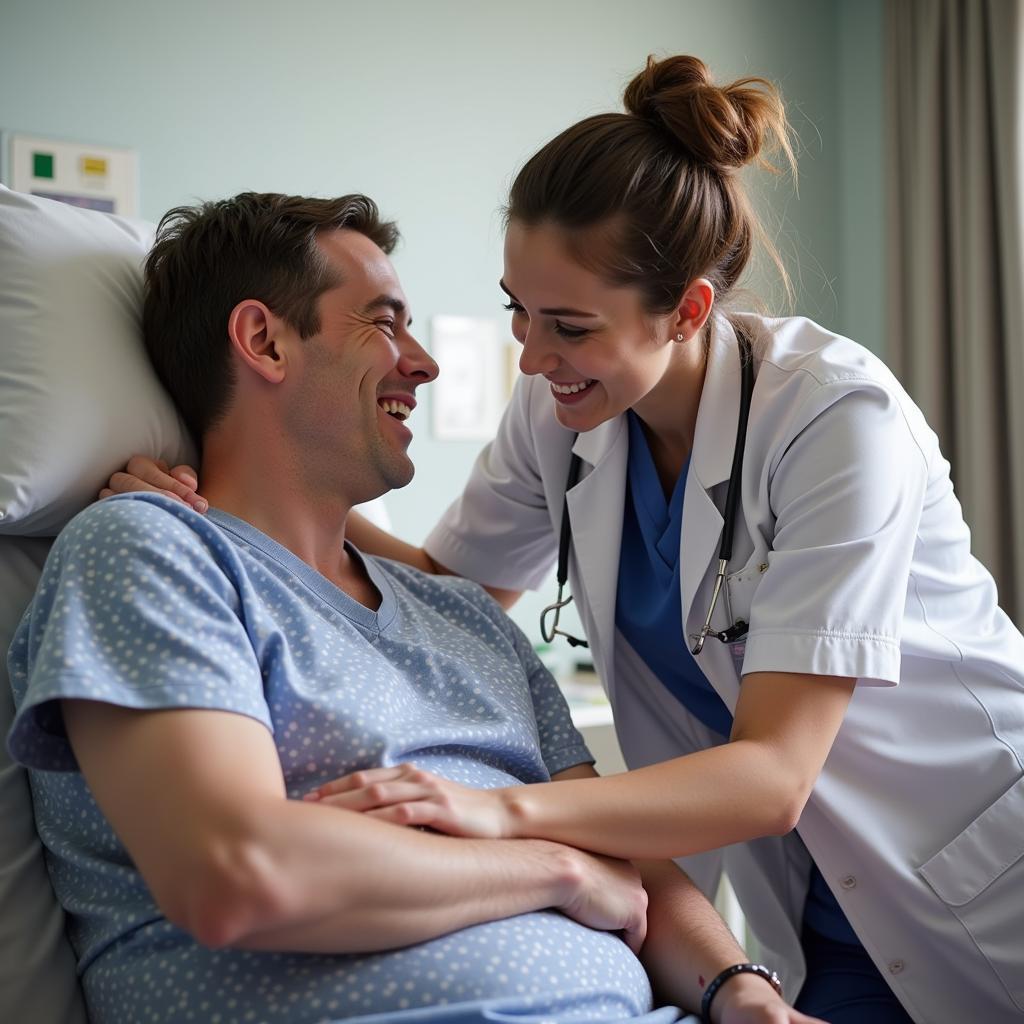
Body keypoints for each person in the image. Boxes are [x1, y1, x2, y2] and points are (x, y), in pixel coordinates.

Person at [112, 55, 1024, 1024]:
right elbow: (440, 594)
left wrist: (509, 823)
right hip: (812, 909)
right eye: (518, 309)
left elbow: (769, 774)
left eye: (570, 326)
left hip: (971, 867)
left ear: (686, 311)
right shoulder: (563, 412)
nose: (533, 356)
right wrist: (230, 502)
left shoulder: (835, 417)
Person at [5, 192, 822, 1024]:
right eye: (384, 323)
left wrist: (739, 992)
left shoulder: (463, 616)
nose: (423, 362)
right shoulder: (153, 552)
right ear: (264, 341)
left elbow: (628, 861)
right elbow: (236, 875)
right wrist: (556, 872)